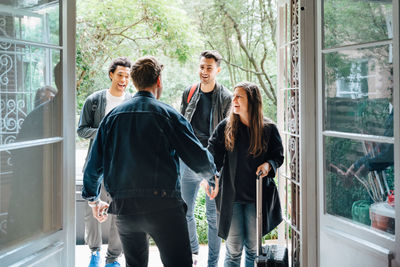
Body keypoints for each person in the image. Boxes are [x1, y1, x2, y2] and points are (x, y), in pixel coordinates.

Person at [81, 56, 219, 267]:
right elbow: (198, 157)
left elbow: (93, 166)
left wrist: (93, 199)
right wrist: (212, 176)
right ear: (159, 81)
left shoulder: (112, 118)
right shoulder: (168, 115)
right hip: (164, 207)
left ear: (134, 82)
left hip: (126, 210)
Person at [207, 82, 284, 267]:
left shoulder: (269, 129)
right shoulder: (226, 127)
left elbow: (278, 156)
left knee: (253, 249)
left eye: (239, 97)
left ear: (252, 101)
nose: (233, 100)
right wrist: (212, 178)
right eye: (234, 96)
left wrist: (268, 165)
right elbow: (212, 155)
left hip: (257, 198)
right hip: (231, 198)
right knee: (233, 250)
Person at [77, 57, 132, 267]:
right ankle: (94, 252)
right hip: (96, 166)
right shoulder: (94, 100)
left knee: (119, 213)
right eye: (120, 75)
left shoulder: (132, 101)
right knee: (91, 212)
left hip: (122, 169)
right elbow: (82, 130)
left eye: (127, 76)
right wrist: (104, 132)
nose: (123, 80)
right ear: (111, 74)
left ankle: (113, 257)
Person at [180, 50, 232, 266]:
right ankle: (192, 254)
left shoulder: (227, 98)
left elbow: (228, 135)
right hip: (188, 160)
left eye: (209, 68)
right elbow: (180, 125)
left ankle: (212, 263)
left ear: (217, 70)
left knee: (213, 217)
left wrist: (215, 169)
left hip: (212, 163)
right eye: (202, 67)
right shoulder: (189, 92)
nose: (204, 71)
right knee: (185, 211)